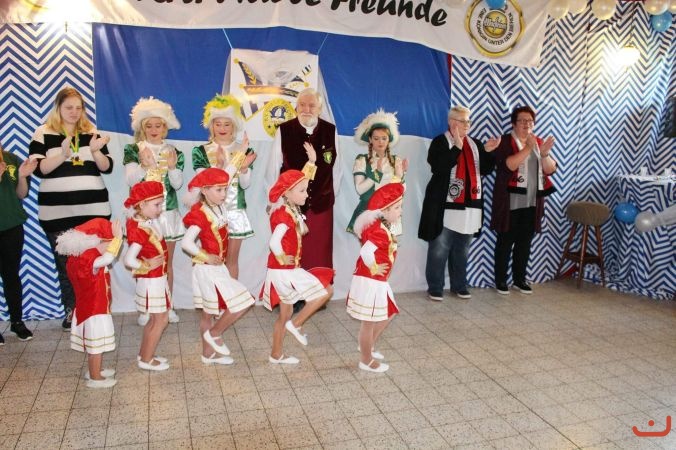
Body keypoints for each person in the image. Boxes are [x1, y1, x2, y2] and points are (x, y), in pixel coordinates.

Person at [29, 87, 113, 331]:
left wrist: (95, 151)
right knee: (66, 266)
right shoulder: (43, 132)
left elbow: (107, 167)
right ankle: (72, 311)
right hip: (56, 213)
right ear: (58, 108)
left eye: (78, 107)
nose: (74, 112)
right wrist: (63, 154)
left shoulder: (92, 132)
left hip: (93, 211)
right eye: (69, 107)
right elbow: (39, 169)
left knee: (94, 262)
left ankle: (95, 310)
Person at [418, 105, 500, 301]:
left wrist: (489, 152)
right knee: (439, 248)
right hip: (445, 206)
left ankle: (459, 285)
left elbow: (485, 170)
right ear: (452, 122)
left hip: (471, 206)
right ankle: (435, 287)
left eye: (469, 121)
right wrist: (456, 147)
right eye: (464, 121)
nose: (467, 125)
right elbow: (439, 167)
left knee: (462, 250)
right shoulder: (440, 141)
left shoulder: (475, 144)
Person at [181, 168, 255, 365]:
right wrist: (205, 256)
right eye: (219, 190)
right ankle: (214, 334)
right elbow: (186, 243)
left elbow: (228, 172)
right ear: (205, 191)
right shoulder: (201, 213)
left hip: (218, 267)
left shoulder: (219, 207)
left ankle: (208, 354)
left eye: (225, 189)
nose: (224, 194)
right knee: (242, 301)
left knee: (209, 311)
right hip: (206, 269)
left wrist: (236, 160)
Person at [261, 170, 334, 365]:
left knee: (285, 314)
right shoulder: (284, 214)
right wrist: (282, 257)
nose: (306, 194)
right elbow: (274, 242)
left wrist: (310, 165)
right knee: (326, 291)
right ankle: (296, 324)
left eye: (306, 190)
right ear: (287, 192)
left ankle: (276, 354)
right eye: (302, 191)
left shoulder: (290, 210)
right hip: (284, 271)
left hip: (282, 270)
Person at [267, 88, 341, 271]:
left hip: (321, 205)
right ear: (296, 107)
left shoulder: (330, 131)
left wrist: (329, 195)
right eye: (302, 105)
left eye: (312, 105)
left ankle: (319, 287)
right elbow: (273, 168)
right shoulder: (284, 130)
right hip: (292, 205)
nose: (306, 109)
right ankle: (293, 287)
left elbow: (336, 168)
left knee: (320, 252)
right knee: (292, 249)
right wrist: (274, 201)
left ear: (319, 108)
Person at [123, 97, 183, 325]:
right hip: (143, 217)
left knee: (166, 262)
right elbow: (130, 180)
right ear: (142, 127)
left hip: (167, 214)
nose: (154, 130)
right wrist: (144, 165)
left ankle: (167, 306)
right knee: (143, 260)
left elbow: (177, 184)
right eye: (149, 125)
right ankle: (145, 307)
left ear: (165, 127)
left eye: (158, 125)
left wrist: (173, 167)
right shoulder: (133, 149)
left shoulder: (173, 151)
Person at [491, 105, 557, 295]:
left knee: (525, 242)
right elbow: (509, 165)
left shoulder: (538, 141)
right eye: (522, 120)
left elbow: (550, 169)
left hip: (532, 201)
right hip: (509, 201)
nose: (526, 124)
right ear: (513, 123)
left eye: (530, 121)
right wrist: (528, 148)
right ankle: (501, 280)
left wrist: (544, 154)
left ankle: (520, 279)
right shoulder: (504, 141)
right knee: (505, 241)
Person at [192, 94, 257, 279]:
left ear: (234, 125)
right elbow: (206, 183)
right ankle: (212, 296)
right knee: (211, 260)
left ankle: (232, 297)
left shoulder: (244, 150)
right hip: (210, 213)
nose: (222, 128)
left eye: (227, 124)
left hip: (235, 211)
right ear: (211, 125)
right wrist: (222, 166)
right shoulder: (200, 151)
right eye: (217, 124)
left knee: (231, 261)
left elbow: (245, 184)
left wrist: (243, 169)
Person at [56, 218, 123, 388]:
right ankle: (95, 377)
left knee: (95, 345)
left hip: (90, 307)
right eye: (108, 243)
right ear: (97, 242)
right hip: (94, 311)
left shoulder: (78, 258)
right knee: (96, 347)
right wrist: (118, 239)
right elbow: (107, 259)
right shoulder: (88, 258)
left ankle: (95, 370)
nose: (110, 246)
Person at [347, 183, 404, 373]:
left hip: (378, 281)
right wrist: (374, 267)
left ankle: (368, 346)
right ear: (384, 210)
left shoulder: (382, 226)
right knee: (368, 322)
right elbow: (366, 251)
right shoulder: (379, 229)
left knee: (389, 312)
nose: (400, 211)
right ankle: (366, 360)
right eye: (397, 207)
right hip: (371, 281)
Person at [123, 181, 172, 371]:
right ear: (142, 204)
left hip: (157, 278)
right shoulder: (139, 228)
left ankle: (145, 353)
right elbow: (129, 259)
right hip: (152, 281)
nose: (160, 209)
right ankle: (146, 360)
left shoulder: (144, 222)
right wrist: (146, 265)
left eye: (161, 204)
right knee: (160, 320)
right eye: (156, 205)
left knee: (155, 319)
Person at [0, 145, 38, 344]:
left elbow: (21, 194)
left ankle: (17, 321)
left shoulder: (11, 159)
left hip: (12, 226)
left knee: (11, 276)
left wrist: (22, 177)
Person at [348, 109, 407, 235]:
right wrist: (377, 174)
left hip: (390, 214)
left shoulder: (396, 161)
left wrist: (400, 176)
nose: (380, 142)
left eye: (384, 138)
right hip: (369, 213)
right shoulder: (362, 160)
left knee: (389, 246)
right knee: (370, 246)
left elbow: (400, 192)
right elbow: (360, 189)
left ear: (388, 140)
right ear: (370, 139)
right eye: (376, 138)